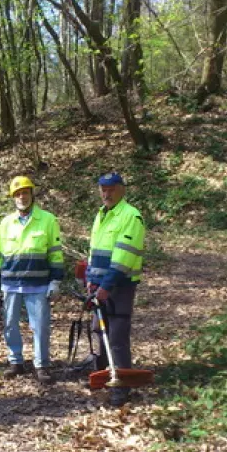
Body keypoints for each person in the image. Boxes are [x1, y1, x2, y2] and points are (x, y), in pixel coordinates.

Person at [0, 176, 64, 383]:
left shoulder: (48, 220)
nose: (22, 196)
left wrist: (56, 281)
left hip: (38, 284)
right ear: (13, 197)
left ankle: (41, 365)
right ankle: (15, 361)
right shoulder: (6, 223)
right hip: (11, 284)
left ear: (32, 194)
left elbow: (55, 254)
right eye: (18, 194)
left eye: (25, 192)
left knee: (40, 326)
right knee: (10, 324)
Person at [86, 172, 145, 406]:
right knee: (99, 332)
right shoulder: (101, 215)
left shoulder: (131, 216)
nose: (106, 193)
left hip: (119, 287)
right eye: (103, 189)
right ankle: (103, 377)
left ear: (122, 189)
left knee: (117, 337)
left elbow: (123, 258)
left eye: (111, 189)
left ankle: (122, 386)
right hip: (99, 286)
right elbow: (94, 252)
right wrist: (91, 279)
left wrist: (106, 286)